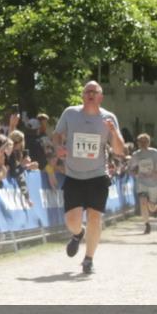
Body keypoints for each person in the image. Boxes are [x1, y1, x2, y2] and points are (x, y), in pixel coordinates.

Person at [54, 81, 125, 274]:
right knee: (72, 221)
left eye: (95, 92)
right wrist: (58, 147)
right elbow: (57, 134)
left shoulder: (109, 117)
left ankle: (88, 259)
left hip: (97, 176)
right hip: (74, 175)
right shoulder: (70, 113)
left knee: (95, 217)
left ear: (101, 96)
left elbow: (119, 150)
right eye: (87, 91)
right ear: (83, 96)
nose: (91, 94)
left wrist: (113, 132)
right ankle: (78, 234)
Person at [128, 133, 157, 235]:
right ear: (138, 143)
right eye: (141, 142)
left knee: (151, 206)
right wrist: (135, 173)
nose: (143, 144)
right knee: (143, 201)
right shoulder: (136, 155)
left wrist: (156, 173)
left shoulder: (154, 152)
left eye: (145, 142)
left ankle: (154, 207)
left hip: (153, 182)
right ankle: (147, 224)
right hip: (141, 182)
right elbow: (130, 169)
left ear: (149, 142)